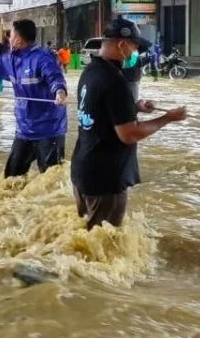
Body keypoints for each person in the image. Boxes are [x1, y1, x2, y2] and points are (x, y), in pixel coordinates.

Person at [71, 17, 187, 229]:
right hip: (105, 179)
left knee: (88, 236)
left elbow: (99, 110)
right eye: (134, 47)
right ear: (122, 45)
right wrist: (168, 118)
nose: (134, 53)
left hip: (83, 171)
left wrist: (135, 107)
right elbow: (129, 134)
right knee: (104, 244)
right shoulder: (116, 82)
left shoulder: (90, 72)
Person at [0, 19, 69, 177]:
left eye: (10, 35)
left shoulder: (42, 58)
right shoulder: (9, 59)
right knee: (10, 180)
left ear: (18, 40)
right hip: (24, 130)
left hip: (49, 130)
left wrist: (60, 92)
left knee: (52, 182)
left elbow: (55, 78)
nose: (8, 39)